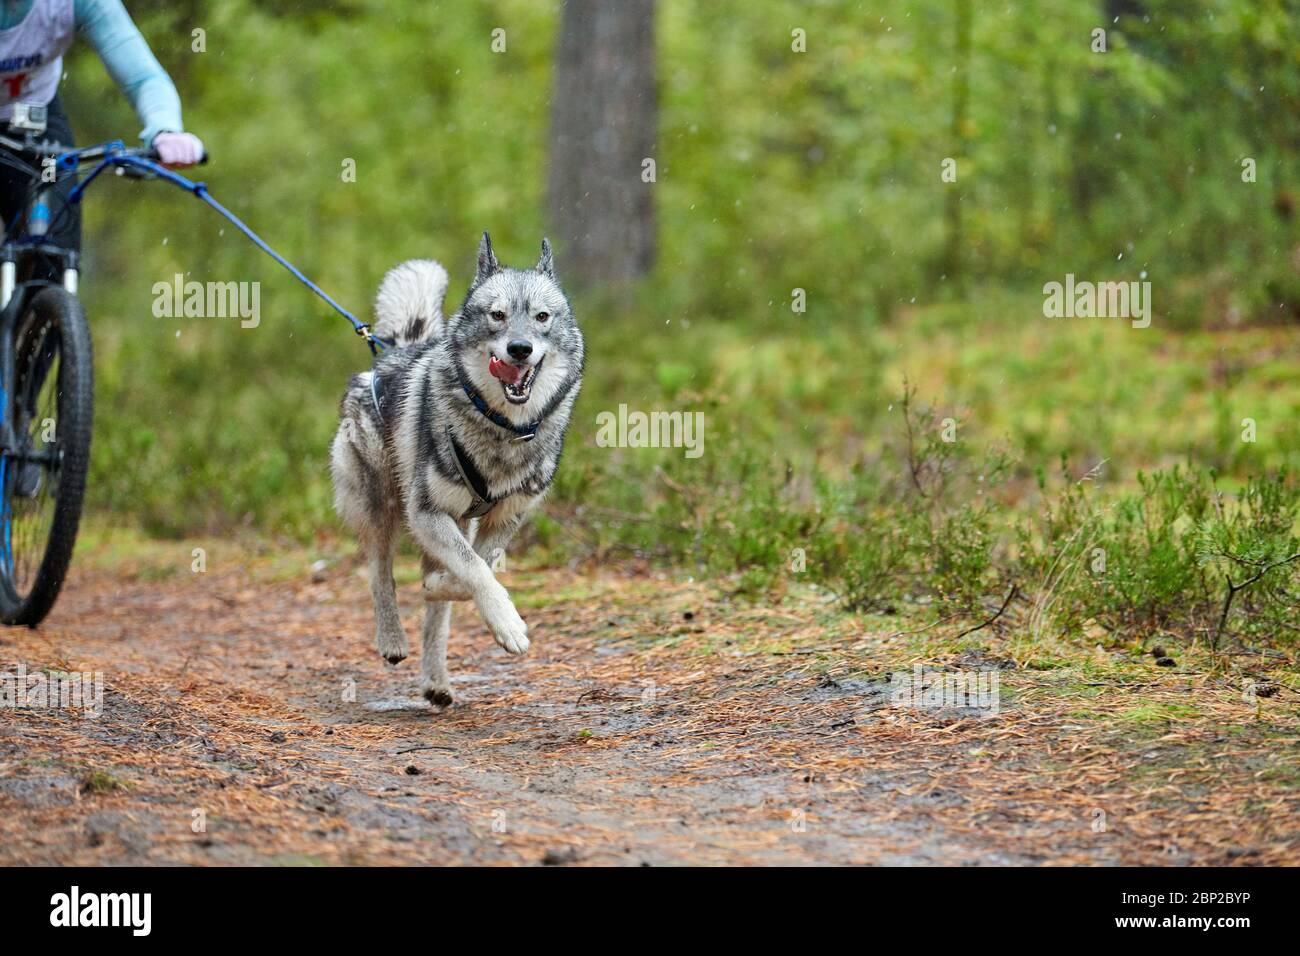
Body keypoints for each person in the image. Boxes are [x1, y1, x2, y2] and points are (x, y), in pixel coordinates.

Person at [0, 0, 204, 256]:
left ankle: (48, 290)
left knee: (52, 247)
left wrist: (166, 129)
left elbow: (143, 78)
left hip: (40, 135)